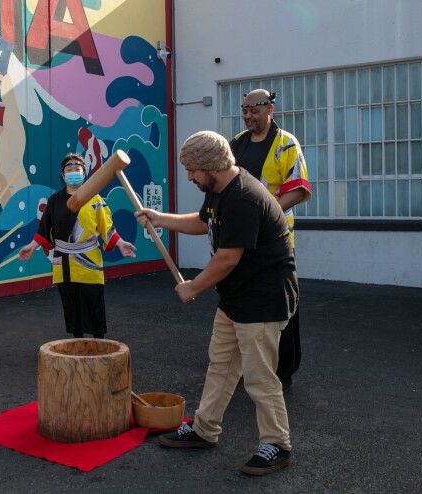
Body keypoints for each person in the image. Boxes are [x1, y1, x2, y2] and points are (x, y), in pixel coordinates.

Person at [135, 131, 298, 476]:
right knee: (221, 366)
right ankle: (204, 430)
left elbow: (226, 259)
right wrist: (160, 218)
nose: (190, 177)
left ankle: (277, 444)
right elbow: (202, 221)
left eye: (193, 170)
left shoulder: (242, 197)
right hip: (237, 297)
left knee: (258, 378)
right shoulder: (219, 190)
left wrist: (193, 286)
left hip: (263, 300)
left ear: (210, 165)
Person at [230, 89, 312, 391]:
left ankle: (283, 370)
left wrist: (265, 214)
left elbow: (299, 188)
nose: (249, 115)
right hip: (241, 237)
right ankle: (244, 365)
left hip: (275, 238)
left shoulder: (285, 143)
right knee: (242, 299)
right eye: (245, 110)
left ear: (270, 109)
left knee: (281, 302)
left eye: (255, 109)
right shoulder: (236, 144)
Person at [18, 153, 136, 338]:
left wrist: (120, 243)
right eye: (69, 170)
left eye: (77, 170)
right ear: (63, 175)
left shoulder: (96, 200)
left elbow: (107, 227)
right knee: (71, 305)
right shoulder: (54, 200)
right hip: (63, 261)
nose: (73, 173)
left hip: (89, 260)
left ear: (84, 173)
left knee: (94, 302)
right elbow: (44, 228)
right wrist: (32, 246)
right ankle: (77, 343)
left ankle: (99, 342)